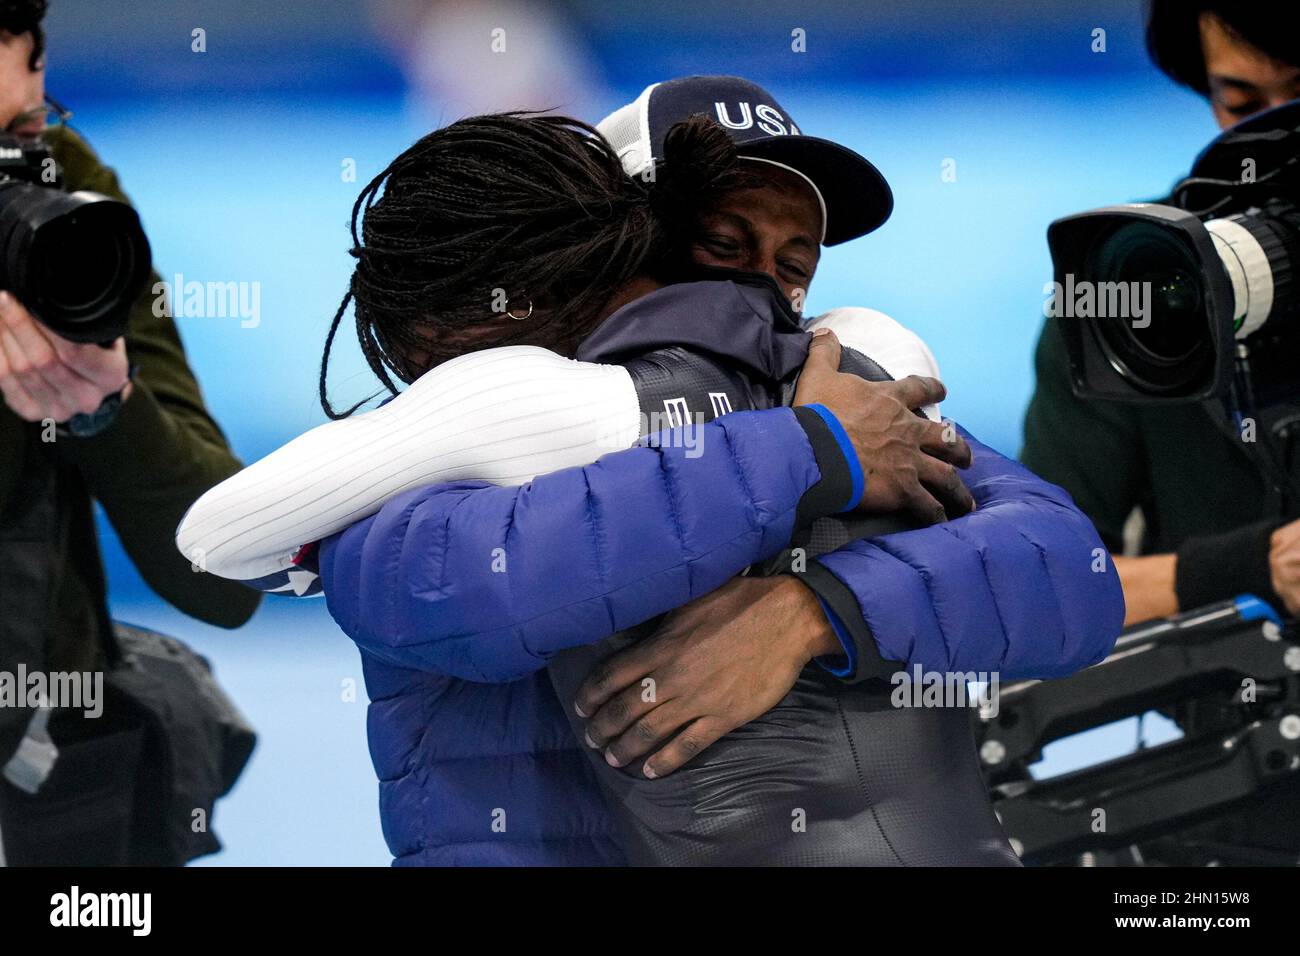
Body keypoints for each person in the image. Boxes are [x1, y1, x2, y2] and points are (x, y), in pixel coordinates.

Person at [181, 97, 1123, 864]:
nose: (761, 294)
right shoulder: (445, 446)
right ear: (619, 239)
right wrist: (807, 454)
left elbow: (1067, 574)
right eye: (722, 246)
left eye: (793, 268)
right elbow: (471, 584)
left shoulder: (847, 393)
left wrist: (815, 613)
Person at [1021, 0, 1300, 862]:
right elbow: (1041, 593)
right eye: (1241, 104)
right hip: (1224, 817)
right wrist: (1260, 566)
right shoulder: (1132, 288)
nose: (1276, 137)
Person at [0, 1, 259, 864]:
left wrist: (106, 407)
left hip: (47, 772)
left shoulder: (65, 204)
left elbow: (223, 576)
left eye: (24, 127)